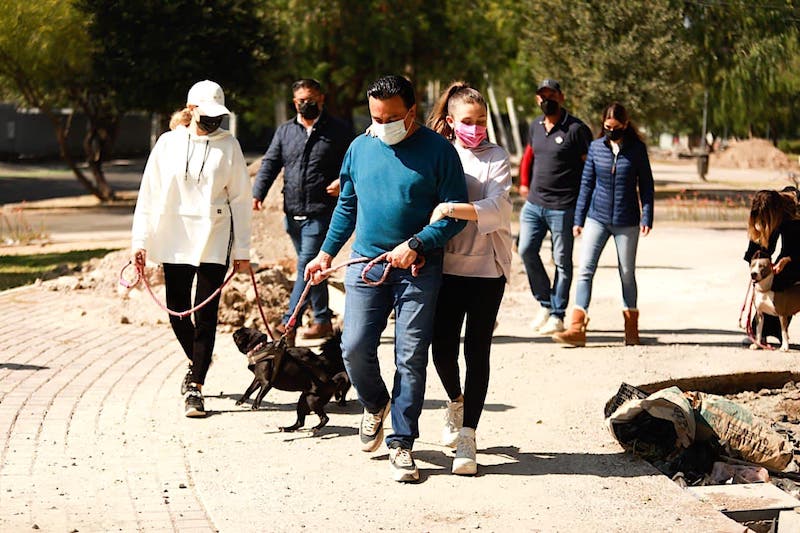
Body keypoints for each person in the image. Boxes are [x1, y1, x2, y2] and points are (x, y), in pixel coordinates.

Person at [304, 75, 467, 482]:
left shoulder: (439, 151)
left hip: (418, 268)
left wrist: (418, 243)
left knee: (410, 356)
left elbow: (455, 216)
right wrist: (325, 253)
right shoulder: (360, 147)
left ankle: (402, 442)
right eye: (376, 116)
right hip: (366, 263)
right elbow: (347, 206)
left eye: (392, 117)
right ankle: (374, 404)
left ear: (411, 111)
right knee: (354, 346)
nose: (382, 124)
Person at [131, 80, 252, 417]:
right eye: (208, 114)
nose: (215, 121)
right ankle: (198, 355)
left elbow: (241, 200)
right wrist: (139, 242)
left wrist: (242, 249)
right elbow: (148, 195)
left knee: (205, 312)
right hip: (173, 234)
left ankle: (195, 384)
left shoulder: (229, 146)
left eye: (219, 115)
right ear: (192, 109)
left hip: (214, 234)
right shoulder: (167, 144)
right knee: (177, 309)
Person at [426, 82, 512, 475]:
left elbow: (498, 205)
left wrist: (451, 208)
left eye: (481, 121)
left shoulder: (496, 156)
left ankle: (469, 436)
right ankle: (455, 402)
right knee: (441, 347)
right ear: (450, 121)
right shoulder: (439, 153)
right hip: (445, 267)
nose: (475, 128)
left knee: (477, 351)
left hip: (486, 269)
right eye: (467, 121)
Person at [252, 79, 353, 344]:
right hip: (292, 213)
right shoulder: (285, 131)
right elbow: (271, 163)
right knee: (312, 269)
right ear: (294, 102)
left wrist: (344, 181)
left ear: (321, 98)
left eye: (311, 99)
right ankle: (322, 321)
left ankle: (288, 325)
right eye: (300, 101)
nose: (306, 104)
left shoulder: (339, 131)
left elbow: (357, 163)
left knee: (306, 268)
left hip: (321, 213)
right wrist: (257, 193)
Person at [552, 102, 654, 347]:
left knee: (627, 273)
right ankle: (577, 328)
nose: (611, 130)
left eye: (616, 127)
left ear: (625, 125)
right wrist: (579, 219)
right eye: (607, 126)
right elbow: (586, 184)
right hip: (597, 217)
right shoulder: (596, 148)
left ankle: (631, 328)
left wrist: (646, 216)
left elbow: (647, 186)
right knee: (585, 269)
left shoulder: (637, 150)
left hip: (627, 220)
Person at [517, 79, 592, 336]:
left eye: (551, 95)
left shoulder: (577, 129)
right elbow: (530, 155)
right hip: (534, 204)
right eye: (542, 95)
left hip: (564, 206)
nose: (546, 100)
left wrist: (584, 207)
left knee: (562, 262)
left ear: (561, 96)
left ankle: (558, 314)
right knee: (525, 249)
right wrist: (524, 182)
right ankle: (545, 304)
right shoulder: (535, 127)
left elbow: (589, 169)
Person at [743, 188, 800, 342]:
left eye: (764, 221)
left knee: (782, 278)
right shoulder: (771, 212)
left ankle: (772, 328)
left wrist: (787, 260)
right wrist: (757, 267)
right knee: (768, 279)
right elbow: (757, 250)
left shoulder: (794, 214)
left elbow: (793, 249)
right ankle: (763, 331)